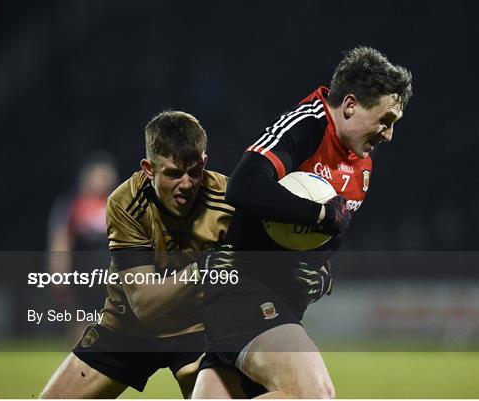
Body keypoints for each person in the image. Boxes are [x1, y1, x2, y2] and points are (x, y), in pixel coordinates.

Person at [40, 111, 323, 399]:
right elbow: (145, 305)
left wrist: (302, 270)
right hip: (128, 329)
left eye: (195, 171)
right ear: (148, 169)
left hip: (200, 331)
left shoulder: (231, 199)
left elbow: (261, 261)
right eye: (174, 173)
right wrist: (205, 268)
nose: (186, 184)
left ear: (205, 163)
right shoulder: (125, 202)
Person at [194, 46, 413, 399]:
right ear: (351, 104)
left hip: (279, 303)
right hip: (240, 288)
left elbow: (324, 235)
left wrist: (320, 267)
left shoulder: (361, 165)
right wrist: (319, 214)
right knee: (312, 393)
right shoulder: (309, 124)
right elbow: (245, 184)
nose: (388, 135)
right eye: (385, 120)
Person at [46, 152, 119, 341]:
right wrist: (58, 273)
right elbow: (61, 241)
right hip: (83, 276)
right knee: (82, 323)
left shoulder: (117, 205)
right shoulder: (73, 205)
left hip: (111, 278)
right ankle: (78, 365)